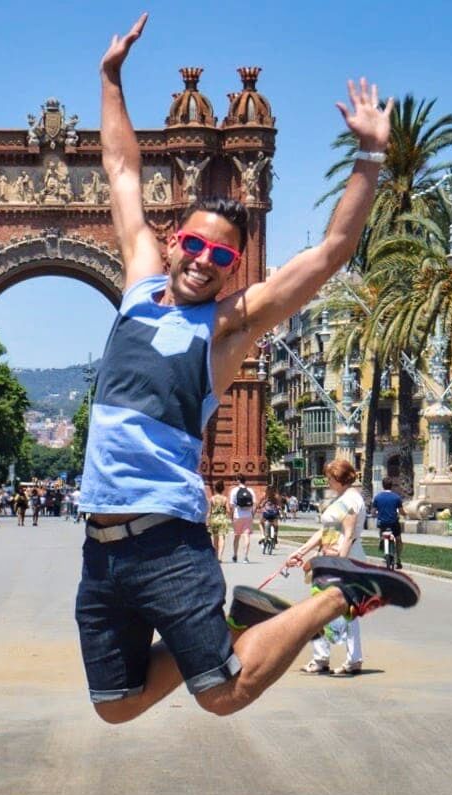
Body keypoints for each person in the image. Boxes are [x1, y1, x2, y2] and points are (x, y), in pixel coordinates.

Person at [74, 15, 416, 724]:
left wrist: (370, 156)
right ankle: (234, 627)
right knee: (116, 705)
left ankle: (340, 594)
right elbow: (122, 170)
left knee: (224, 693)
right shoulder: (138, 283)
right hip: (100, 548)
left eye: (224, 256)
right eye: (197, 245)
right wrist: (110, 79)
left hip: (166, 537)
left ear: (233, 269)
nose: (205, 261)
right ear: (175, 241)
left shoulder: (226, 327)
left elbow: (329, 255)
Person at [290, 461, 369, 676]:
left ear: (339, 479)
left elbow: (349, 535)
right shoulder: (342, 498)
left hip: (344, 561)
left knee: (341, 611)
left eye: (330, 477)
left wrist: (339, 565)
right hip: (333, 559)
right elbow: (326, 530)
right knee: (327, 609)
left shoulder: (351, 501)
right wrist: (301, 551)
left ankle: (347, 660)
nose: (327, 481)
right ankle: (326, 658)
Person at [371, 476, 404, 568]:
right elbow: (401, 511)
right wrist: (405, 513)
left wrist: (375, 515)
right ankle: (398, 559)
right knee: (398, 539)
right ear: (391, 486)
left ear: (383, 486)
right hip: (394, 523)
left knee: (381, 531)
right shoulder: (396, 497)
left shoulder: (377, 497)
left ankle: (382, 540)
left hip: (382, 523)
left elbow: (373, 512)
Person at [230, 477, 255, 563]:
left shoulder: (234, 491)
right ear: (245, 481)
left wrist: (231, 516)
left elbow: (232, 505)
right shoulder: (250, 490)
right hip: (248, 515)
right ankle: (245, 557)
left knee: (237, 536)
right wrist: (252, 514)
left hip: (237, 515)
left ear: (238, 481)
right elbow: (254, 504)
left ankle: (235, 555)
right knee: (246, 536)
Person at [207, 479, 231, 561]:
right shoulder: (225, 499)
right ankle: (220, 556)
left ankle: (216, 556)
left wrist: (207, 521)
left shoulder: (212, 499)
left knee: (215, 539)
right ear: (223, 489)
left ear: (215, 488)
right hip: (222, 519)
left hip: (214, 519)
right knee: (222, 538)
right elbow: (228, 510)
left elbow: (209, 512)